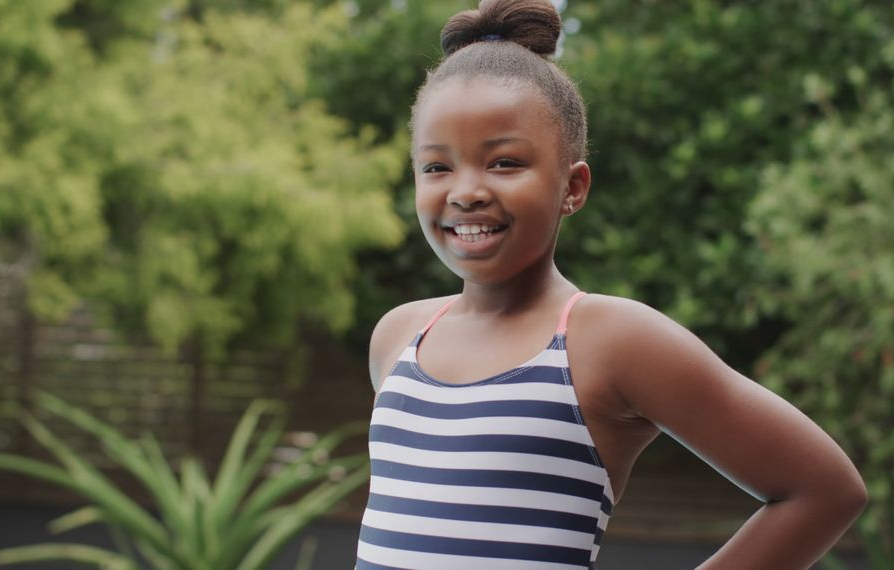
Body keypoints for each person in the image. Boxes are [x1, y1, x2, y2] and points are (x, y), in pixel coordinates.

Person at [355, 1, 868, 568]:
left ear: (573, 187)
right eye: (437, 167)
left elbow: (824, 490)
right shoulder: (398, 336)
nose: (466, 191)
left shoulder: (607, 340)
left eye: (504, 163)